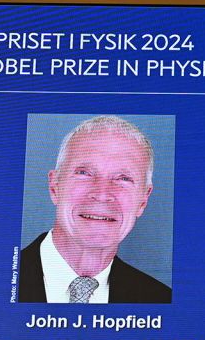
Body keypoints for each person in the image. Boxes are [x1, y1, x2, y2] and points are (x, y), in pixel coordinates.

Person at [18, 115, 171, 303]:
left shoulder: (160, 299)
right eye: (84, 173)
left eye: (123, 178)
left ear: (143, 200)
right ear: (55, 186)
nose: (102, 194)